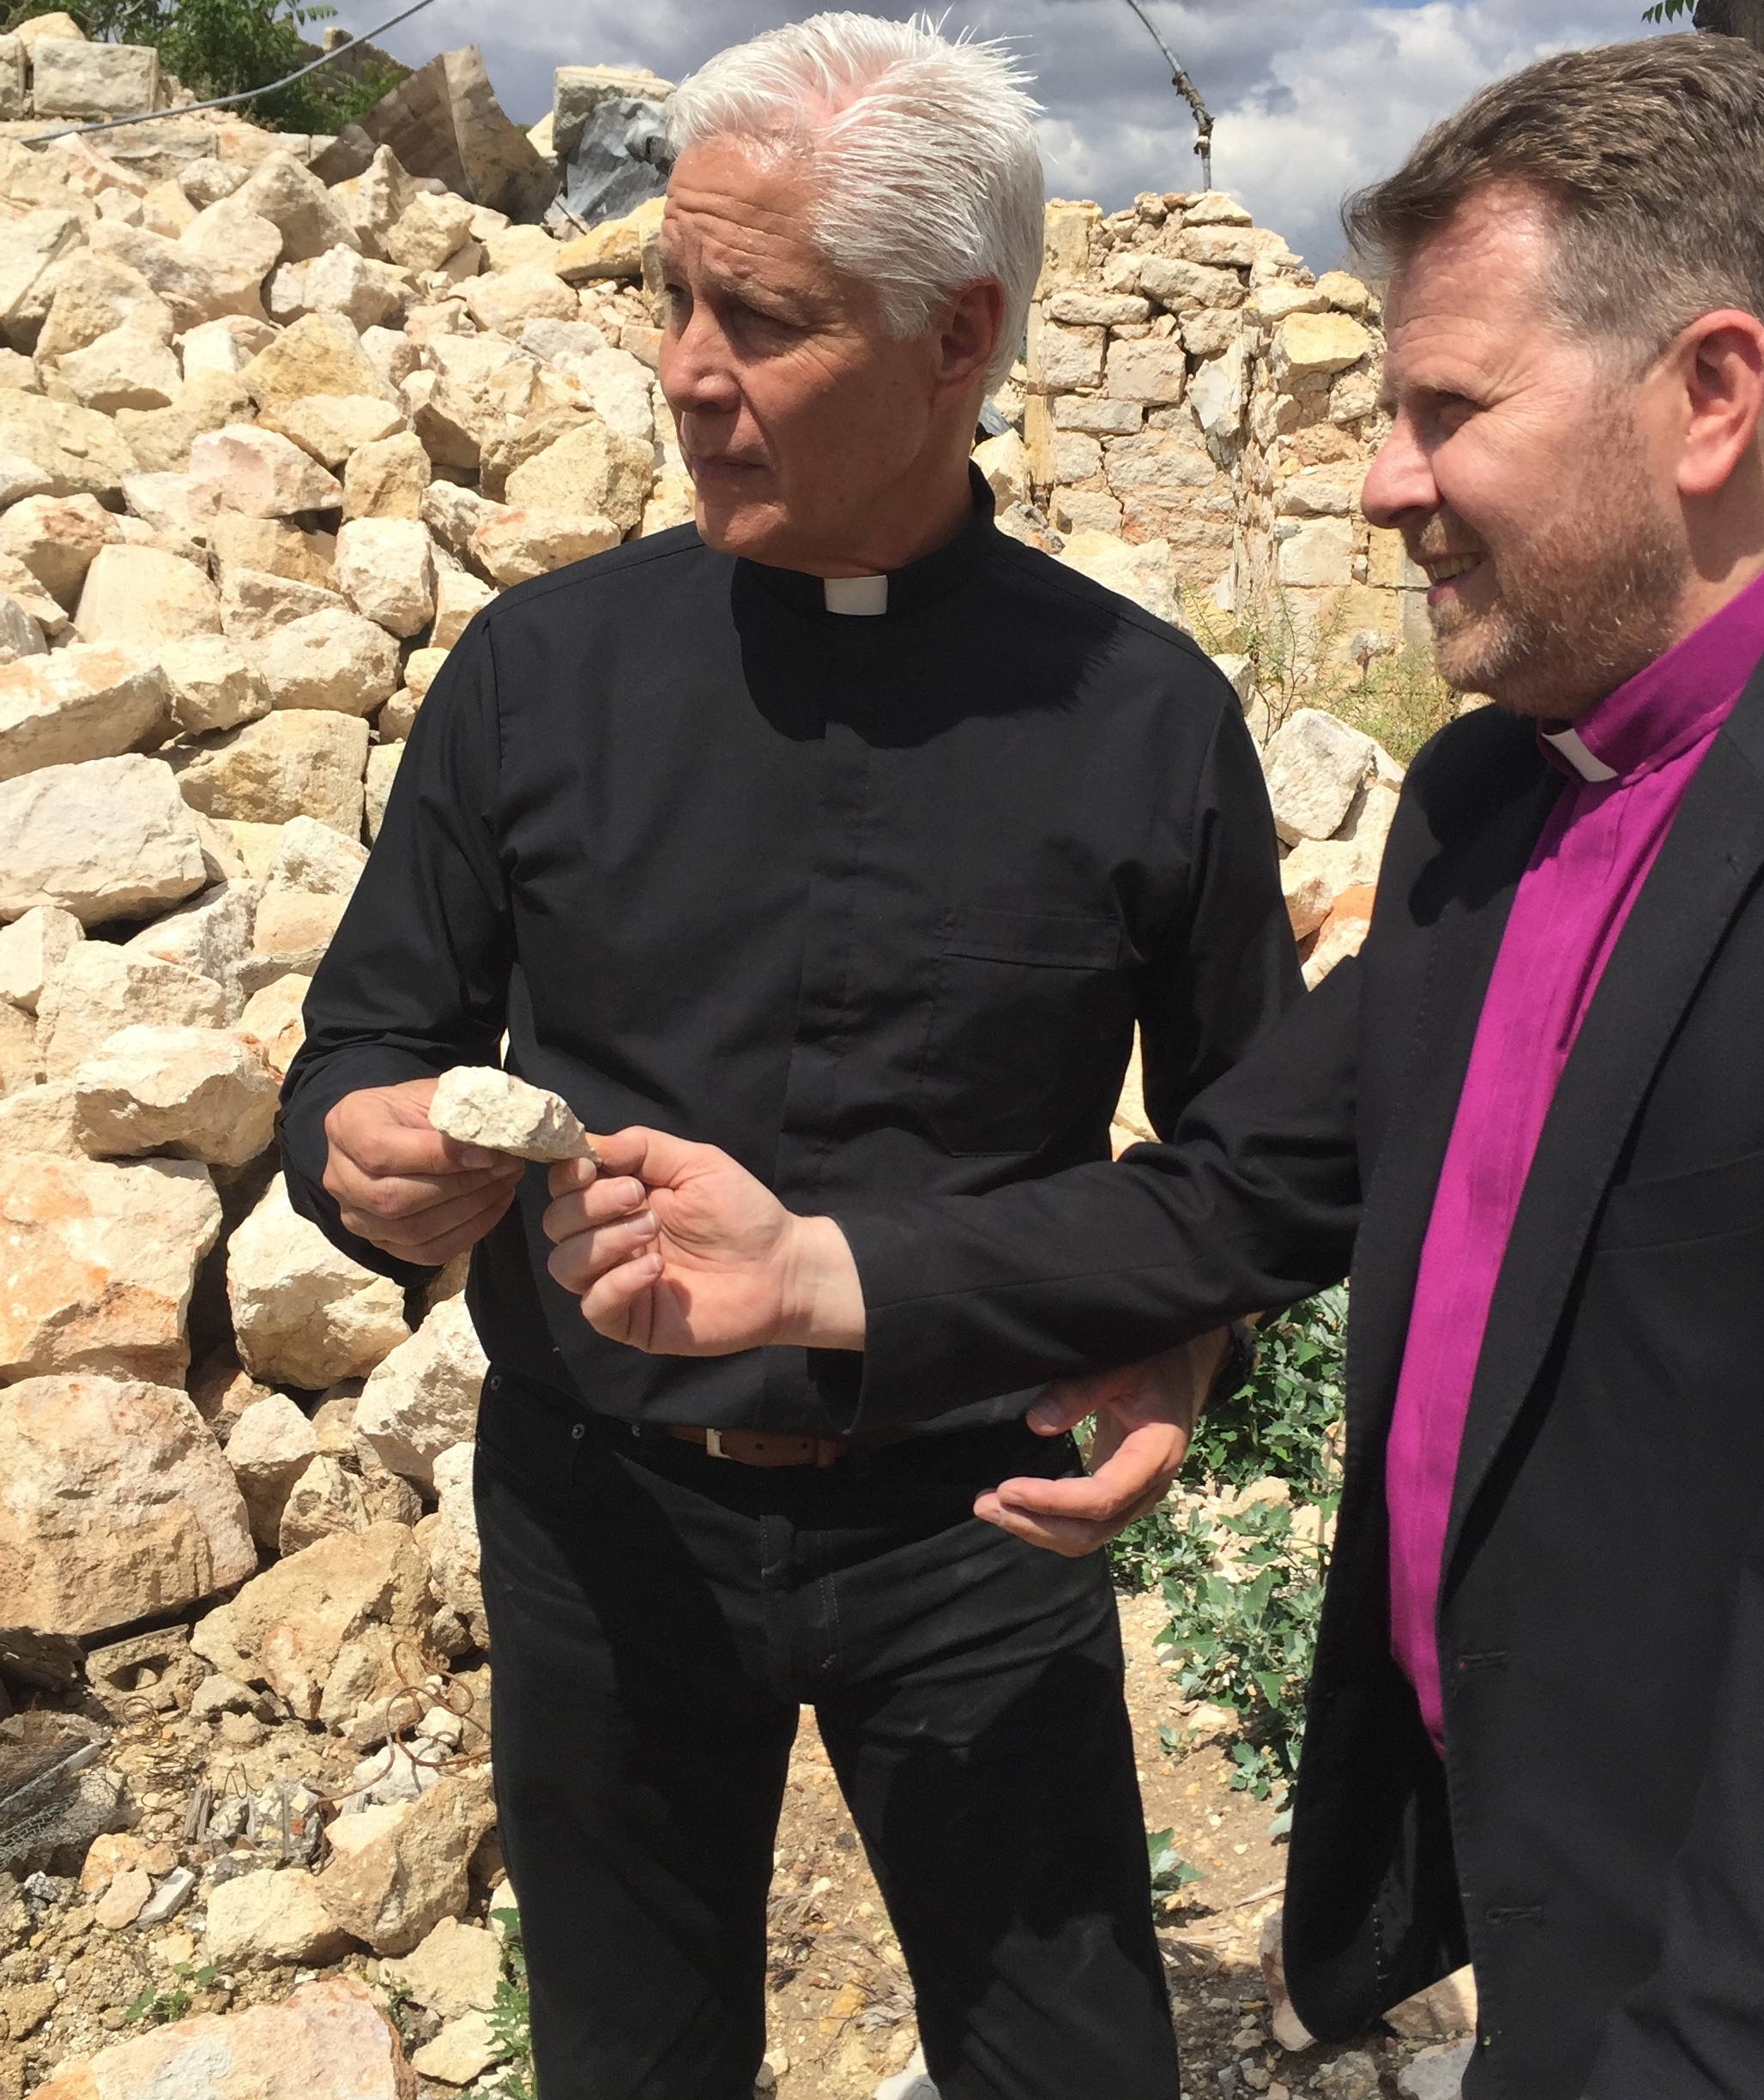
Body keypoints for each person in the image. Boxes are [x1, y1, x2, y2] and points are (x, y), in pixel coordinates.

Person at [539, 33, 1764, 2100]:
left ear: (1712, 397)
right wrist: (820, 1272)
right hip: (1551, 1909)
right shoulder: (1478, 806)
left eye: (1448, 411)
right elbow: (1242, 1190)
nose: (1382, 480)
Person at [277, 17, 1299, 2099]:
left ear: (959, 337)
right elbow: (368, 1039)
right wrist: (359, 1146)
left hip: (980, 1524)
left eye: (762, 316)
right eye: (672, 292)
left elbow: (1251, 1162)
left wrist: (1183, 1351)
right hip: (603, 1521)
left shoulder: (1145, 718)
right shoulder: (536, 677)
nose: (681, 365)